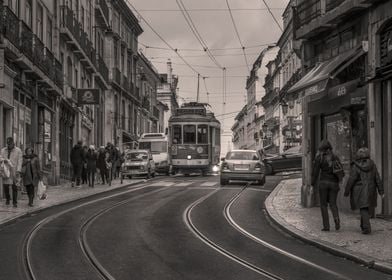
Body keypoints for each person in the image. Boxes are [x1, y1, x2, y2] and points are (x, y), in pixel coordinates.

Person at [344, 148, 384, 234]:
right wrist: (381, 191)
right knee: (365, 207)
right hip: (370, 189)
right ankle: (363, 226)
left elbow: (351, 180)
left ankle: (366, 228)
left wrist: (346, 191)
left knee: (363, 208)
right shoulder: (372, 164)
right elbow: (377, 179)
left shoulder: (355, 166)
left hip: (359, 190)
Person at [311, 139, 343, 231]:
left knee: (323, 205)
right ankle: (336, 219)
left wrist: (312, 184)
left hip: (323, 183)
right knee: (333, 204)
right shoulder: (335, 157)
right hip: (334, 184)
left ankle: (326, 226)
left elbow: (315, 172)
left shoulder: (319, 158)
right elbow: (340, 170)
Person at [0, 137, 23, 207]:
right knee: (6, 185)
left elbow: (20, 161)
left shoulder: (18, 150)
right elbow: (0, 158)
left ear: (13, 143)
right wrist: (3, 160)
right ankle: (7, 198)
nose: (9, 145)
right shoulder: (3, 150)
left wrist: (18, 170)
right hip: (6, 170)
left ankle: (14, 202)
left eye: (10, 143)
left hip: (14, 170)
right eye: (8, 143)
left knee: (14, 186)